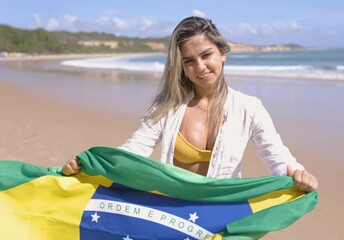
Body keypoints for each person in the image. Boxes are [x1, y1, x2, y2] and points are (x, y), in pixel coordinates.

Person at [62, 16, 318, 192]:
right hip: (171, 210)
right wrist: (88, 165)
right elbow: (132, 152)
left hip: (221, 212)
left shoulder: (249, 108)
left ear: (223, 54)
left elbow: (276, 156)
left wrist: (298, 173)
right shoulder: (168, 108)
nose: (200, 67)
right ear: (181, 67)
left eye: (206, 55)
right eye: (189, 61)